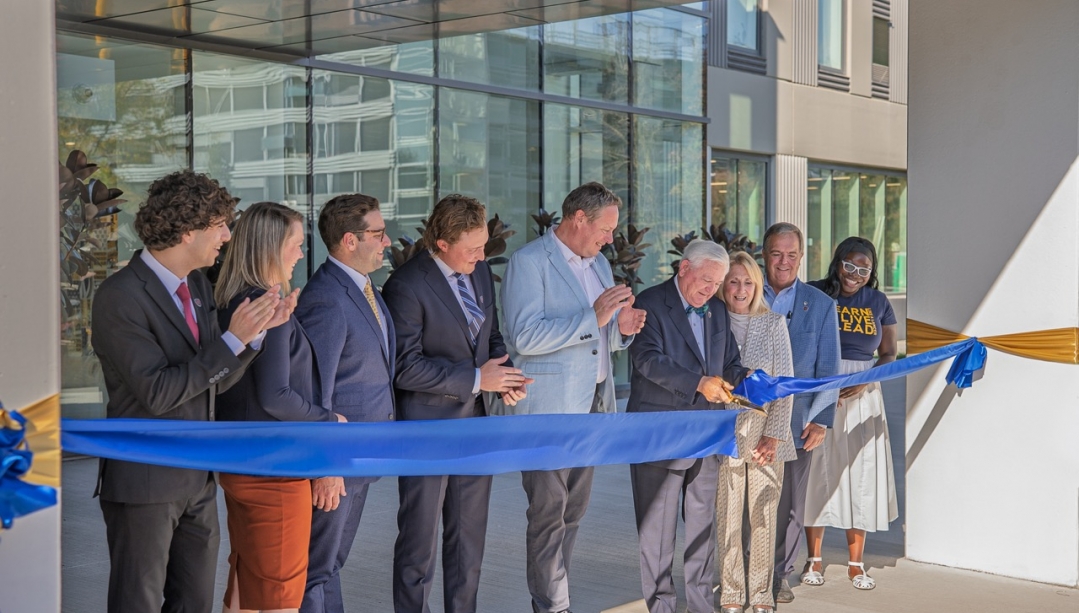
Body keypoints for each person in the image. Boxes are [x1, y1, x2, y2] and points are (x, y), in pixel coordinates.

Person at [90, 170, 290, 613]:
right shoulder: (119, 297)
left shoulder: (198, 286)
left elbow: (211, 384)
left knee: (195, 602)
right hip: (145, 482)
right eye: (219, 224)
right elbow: (159, 393)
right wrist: (231, 342)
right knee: (136, 603)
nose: (226, 235)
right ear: (186, 231)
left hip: (198, 479)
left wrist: (253, 337)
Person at [500, 181, 647, 613]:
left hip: (593, 410)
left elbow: (599, 338)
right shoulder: (529, 262)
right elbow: (524, 337)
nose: (610, 239)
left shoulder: (599, 263)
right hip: (547, 412)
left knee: (573, 514)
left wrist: (621, 330)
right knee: (548, 514)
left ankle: (555, 596)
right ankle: (552, 605)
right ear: (578, 218)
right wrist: (595, 316)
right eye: (605, 229)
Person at [383, 194, 531, 613]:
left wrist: (506, 378)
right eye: (473, 249)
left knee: (468, 543)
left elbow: (492, 337)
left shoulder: (480, 272)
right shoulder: (406, 285)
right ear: (442, 242)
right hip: (426, 431)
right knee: (418, 545)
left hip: (475, 428)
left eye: (483, 246)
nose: (482, 256)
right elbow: (403, 367)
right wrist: (475, 379)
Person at [214, 202, 348, 613]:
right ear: (272, 247)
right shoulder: (270, 307)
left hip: (241, 464)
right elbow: (276, 395)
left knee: (248, 582)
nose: (301, 254)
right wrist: (330, 421)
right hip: (276, 471)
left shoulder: (233, 302)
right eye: (296, 243)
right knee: (279, 597)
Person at [627, 239, 749, 613]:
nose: (712, 290)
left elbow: (729, 362)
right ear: (684, 269)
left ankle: (700, 606)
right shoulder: (648, 303)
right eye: (707, 281)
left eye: (718, 283)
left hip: (707, 436)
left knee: (701, 533)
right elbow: (647, 360)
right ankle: (661, 607)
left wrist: (751, 378)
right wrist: (699, 383)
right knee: (658, 537)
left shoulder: (716, 309)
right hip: (659, 435)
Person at [294, 193, 396, 613]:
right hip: (338, 462)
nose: (387, 241)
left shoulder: (364, 287)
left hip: (360, 458)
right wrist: (327, 465)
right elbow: (316, 390)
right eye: (378, 232)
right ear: (350, 241)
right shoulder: (326, 298)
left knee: (330, 563)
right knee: (317, 567)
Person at [801, 236, 899, 591]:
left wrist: (864, 379)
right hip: (821, 387)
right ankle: (813, 560)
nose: (855, 274)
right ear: (838, 261)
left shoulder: (878, 301)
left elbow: (889, 353)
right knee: (817, 471)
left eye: (864, 268)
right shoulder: (815, 293)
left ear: (872, 272)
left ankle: (856, 565)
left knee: (861, 472)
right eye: (850, 265)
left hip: (864, 392)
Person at [761, 222, 841, 605]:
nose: (784, 262)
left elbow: (829, 368)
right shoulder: (744, 293)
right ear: (765, 254)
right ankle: (745, 570)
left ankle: (779, 574)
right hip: (747, 421)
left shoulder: (821, 305)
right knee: (745, 502)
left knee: (790, 506)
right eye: (777, 253)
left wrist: (822, 419)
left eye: (792, 255)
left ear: (801, 257)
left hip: (799, 424)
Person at [714, 250, 796, 613]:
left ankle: (761, 594)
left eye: (748, 281)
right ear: (722, 285)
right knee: (728, 515)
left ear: (758, 285)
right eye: (733, 280)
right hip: (722, 436)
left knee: (762, 516)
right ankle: (731, 592)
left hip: (766, 436)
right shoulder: (712, 323)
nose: (741, 288)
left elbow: (785, 384)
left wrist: (774, 435)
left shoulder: (774, 323)